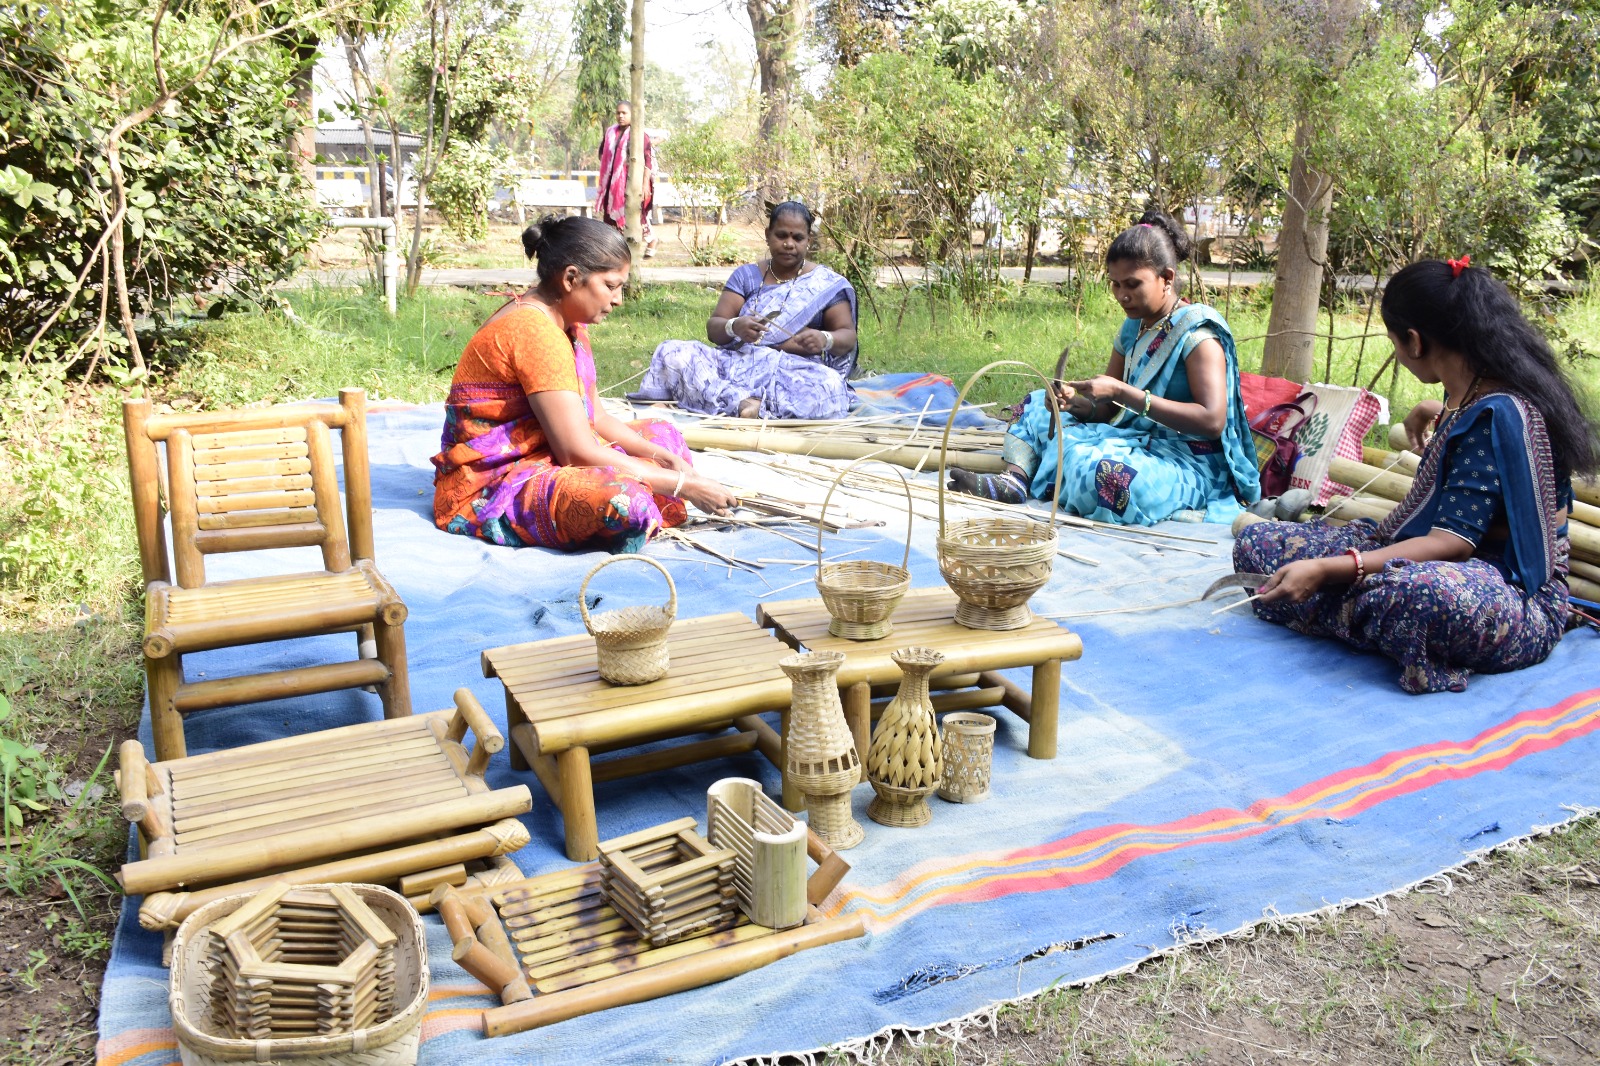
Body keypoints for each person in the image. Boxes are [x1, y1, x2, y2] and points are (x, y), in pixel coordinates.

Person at [1235, 256, 1594, 694]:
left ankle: (1351, 607)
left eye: (1395, 343)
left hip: (1512, 592)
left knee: (1414, 597)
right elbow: (1468, 429)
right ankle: (1358, 610)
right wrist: (1434, 410)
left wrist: (1330, 569)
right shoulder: (1475, 387)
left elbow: (1452, 544)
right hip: (1423, 560)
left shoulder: (1498, 415)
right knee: (1257, 543)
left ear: (1415, 341)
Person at [432, 215, 737, 553]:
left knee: (664, 436)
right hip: (496, 480)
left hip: (555, 450)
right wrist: (681, 485)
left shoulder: (567, 322)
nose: (618, 299)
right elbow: (574, 451)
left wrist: (661, 458)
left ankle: (651, 483)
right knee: (625, 501)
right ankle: (645, 499)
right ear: (571, 278)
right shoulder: (534, 333)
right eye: (611, 286)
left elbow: (597, 418)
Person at [949, 210, 1260, 524]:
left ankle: (1063, 474)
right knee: (1035, 405)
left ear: (1166, 278)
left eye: (1133, 284)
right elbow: (1109, 410)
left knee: (1111, 477)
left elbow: (1212, 421)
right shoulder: (1133, 328)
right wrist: (1075, 404)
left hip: (1187, 459)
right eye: (1115, 284)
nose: (1122, 295)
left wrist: (1122, 393)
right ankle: (1015, 480)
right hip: (1132, 438)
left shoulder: (1197, 335)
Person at [635, 200, 860, 420]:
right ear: (767, 235)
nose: (789, 244)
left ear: (808, 240)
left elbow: (847, 335)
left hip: (795, 373)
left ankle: (752, 405)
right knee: (672, 352)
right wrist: (734, 327)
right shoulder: (746, 276)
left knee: (830, 387)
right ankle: (743, 403)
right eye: (781, 235)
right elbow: (714, 327)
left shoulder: (826, 283)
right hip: (736, 364)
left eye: (797, 238)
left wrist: (825, 339)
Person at [596, 101, 655, 257]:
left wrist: (644, 184)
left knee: (634, 215)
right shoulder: (610, 133)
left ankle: (649, 241)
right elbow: (601, 154)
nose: (620, 116)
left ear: (632, 115)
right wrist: (612, 167)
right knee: (610, 218)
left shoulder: (640, 135)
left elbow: (648, 162)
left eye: (624, 113)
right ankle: (614, 250)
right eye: (618, 113)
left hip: (632, 183)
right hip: (611, 184)